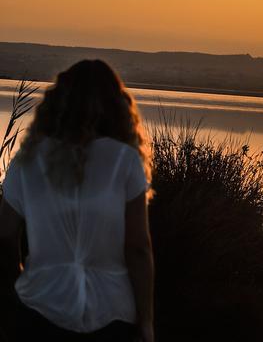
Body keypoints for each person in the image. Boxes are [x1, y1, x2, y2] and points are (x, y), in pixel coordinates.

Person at [0, 60, 155, 342]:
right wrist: (146, 321)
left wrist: (17, 284)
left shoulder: (26, 161)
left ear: (57, 103)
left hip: (38, 310)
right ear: (117, 106)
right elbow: (138, 248)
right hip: (111, 314)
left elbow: (5, 235)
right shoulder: (125, 160)